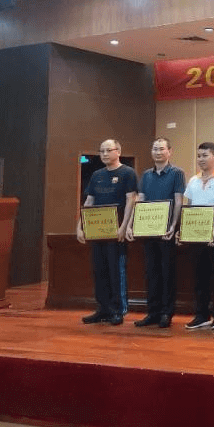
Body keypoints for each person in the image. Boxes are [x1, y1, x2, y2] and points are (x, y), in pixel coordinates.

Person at [77, 139, 137, 326]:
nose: (104, 154)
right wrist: (80, 226)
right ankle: (103, 308)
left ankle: (117, 310)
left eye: (108, 150)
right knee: (99, 270)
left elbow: (131, 200)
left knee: (116, 270)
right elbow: (89, 202)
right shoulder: (97, 175)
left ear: (118, 151)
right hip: (97, 231)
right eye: (101, 151)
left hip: (116, 232)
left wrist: (124, 226)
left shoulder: (128, 173)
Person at [131, 137, 185, 328]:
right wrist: (133, 224)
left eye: (162, 149)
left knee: (167, 272)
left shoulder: (177, 173)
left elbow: (178, 201)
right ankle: (152, 312)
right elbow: (140, 199)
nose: (158, 152)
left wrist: (173, 225)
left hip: (166, 231)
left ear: (169, 151)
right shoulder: (146, 175)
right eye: (155, 149)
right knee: (151, 272)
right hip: (148, 231)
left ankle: (166, 313)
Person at [183, 142, 214, 330]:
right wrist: (184, 230)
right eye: (199, 156)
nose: (201, 159)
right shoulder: (193, 181)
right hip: (196, 237)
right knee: (199, 277)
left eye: (205, 155)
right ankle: (201, 315)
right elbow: (189, 206)